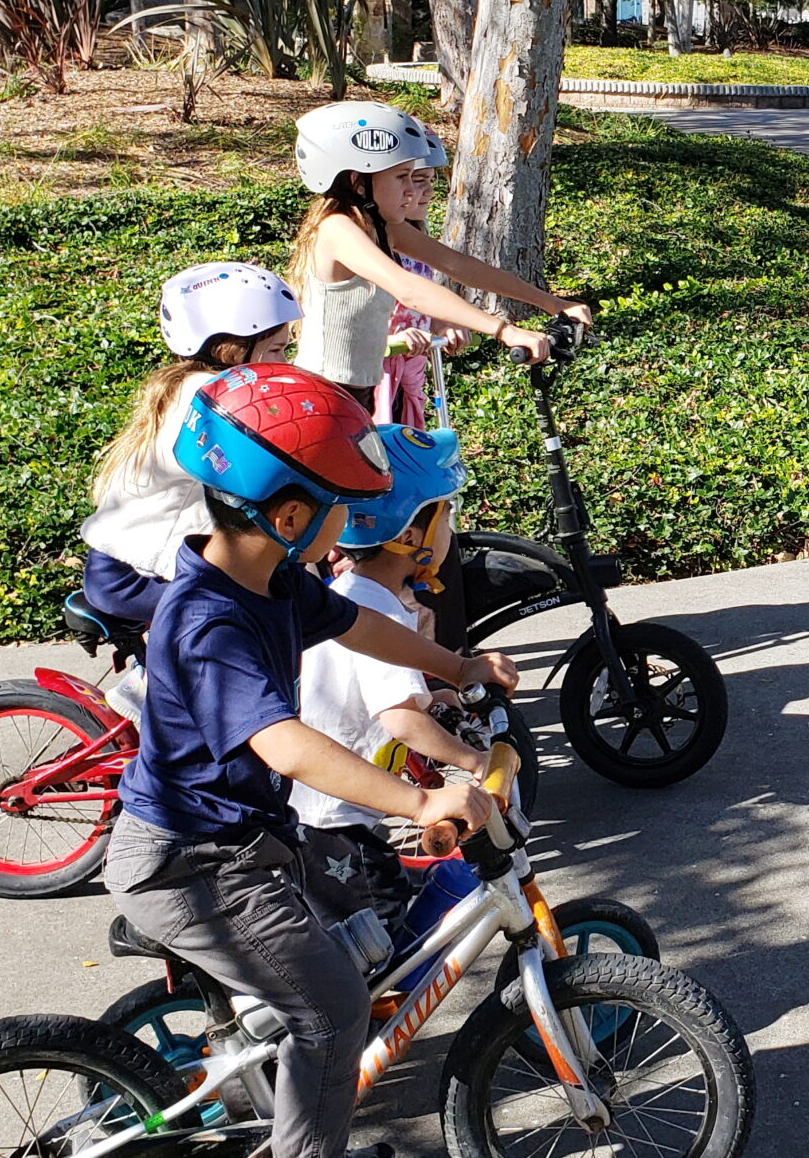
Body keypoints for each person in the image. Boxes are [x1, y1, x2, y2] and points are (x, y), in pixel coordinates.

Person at [101, 362, 514, 1158]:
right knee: (326, 1007)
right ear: (290, 516)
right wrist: (418, 800)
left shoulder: (275, 581)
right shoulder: (208, 619)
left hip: (243, 846)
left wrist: (458, 663)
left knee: (350, 957)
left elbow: (363, 632)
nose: (350, 529)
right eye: (340, 507)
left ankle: (304, 1142)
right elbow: (284, 743)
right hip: (189, 864)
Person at [292, 422, 490, 930]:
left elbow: (374, 694)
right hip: (336, 823)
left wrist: (438, 693)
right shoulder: (375, 607)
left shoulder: (354, 591)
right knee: (378, 945)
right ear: (409, 535)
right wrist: (475, 760)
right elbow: (398, 719)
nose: (452, 533)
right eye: (447, 517)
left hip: (338, 815)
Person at [289, 101, 594, 401]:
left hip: (357, 395)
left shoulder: (384, 228)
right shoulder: (337, 229)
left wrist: (553, 303)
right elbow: (410, 290)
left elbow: (460, 265)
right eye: (401, 177)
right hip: (323, 394)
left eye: (413, 176)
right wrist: (504, 330)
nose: (412, 190)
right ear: (358, 182)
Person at [81, 263, 297, 633]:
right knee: (258, 618)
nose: (285, 362)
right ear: (233, 349)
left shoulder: (195, 385)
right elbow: (257, 467)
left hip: (128, 561)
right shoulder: (212, 399)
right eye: (277, 349)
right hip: (137, 573)